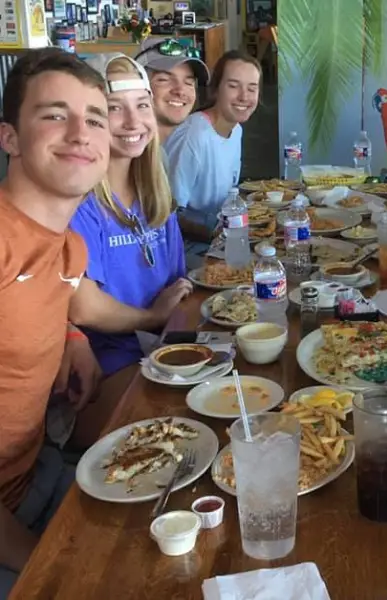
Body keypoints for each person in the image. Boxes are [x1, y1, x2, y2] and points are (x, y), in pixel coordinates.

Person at [0, 49, 189, 598]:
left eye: (95, 118)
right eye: (55, 114)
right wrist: (46, 563)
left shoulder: (68, 248)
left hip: (47, 478)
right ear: (9, 137)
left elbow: (50, 301)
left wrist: (71, 334)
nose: (82, 133)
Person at [68, 53, 191, 445]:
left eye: (142, 106)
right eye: (114, 110)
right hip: (107, 363)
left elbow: (178, 284)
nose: (134, 122)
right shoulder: (81, 202)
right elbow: (82, 306)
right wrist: (151, 316)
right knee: (180, 429)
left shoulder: (154, 194)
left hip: (160, 347)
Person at [162, 50, 262, 269]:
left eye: (252, 88)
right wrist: (218, 233)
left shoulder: (236, 130)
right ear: (215, 89)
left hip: (220, 239)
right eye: (233, 86)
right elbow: (167, 215)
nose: (244, 97)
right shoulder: (194, 134)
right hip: (187, 251)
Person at [134, 37, 209, 142]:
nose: (180, 91)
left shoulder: (198, 143)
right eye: (164, 80)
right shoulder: (123, 154)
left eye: (188, 82)